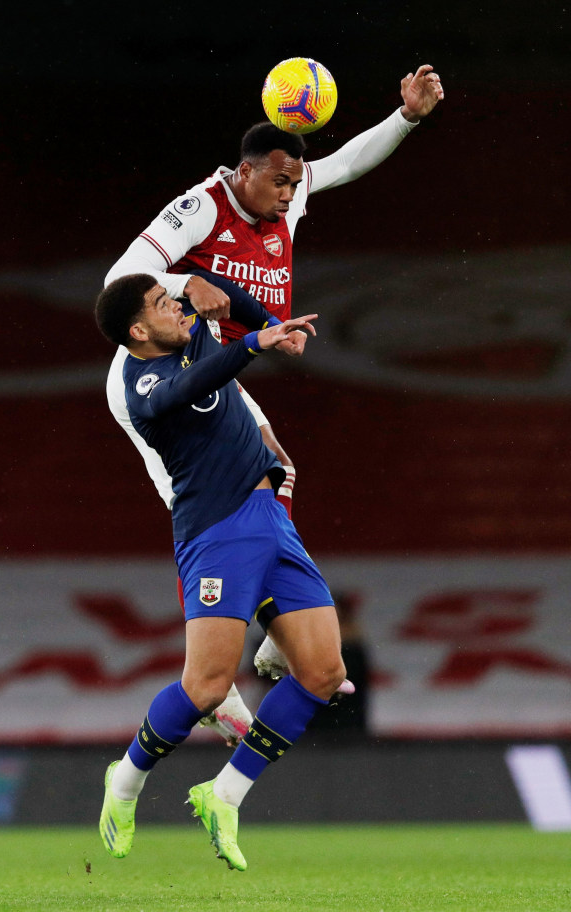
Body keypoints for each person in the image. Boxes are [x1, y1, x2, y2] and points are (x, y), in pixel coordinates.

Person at [103, 64, 443, 713]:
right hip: (149, 375)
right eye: (280, 180)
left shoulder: (291, 191)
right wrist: (181, 287)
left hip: (210, 372)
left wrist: (407, 117)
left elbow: (344, 164)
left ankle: (268, 632)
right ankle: (212, 674)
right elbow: (122, 277)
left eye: (295, 182)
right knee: (199, 504)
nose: (291, 193)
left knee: (277, 470)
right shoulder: (202, 205)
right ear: (245, 171)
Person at [94, 273, 345, 871]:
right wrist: (254, 345)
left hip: (270, 520)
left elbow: (224, 302)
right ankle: (124, 782)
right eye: (161, 304)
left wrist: (266, 325)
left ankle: (224, 795)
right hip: (217, 532)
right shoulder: (143, 386)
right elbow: (197, 383)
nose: (175, 306)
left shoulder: (191, 333)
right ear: (138, 331)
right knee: (206, 686)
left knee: (323, 672)